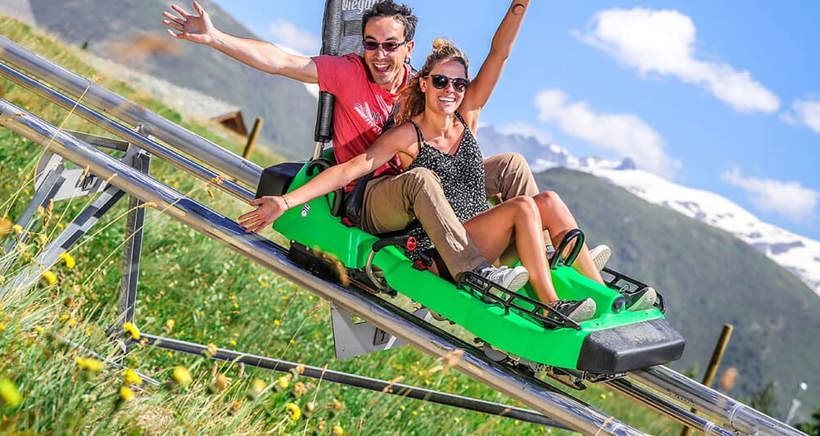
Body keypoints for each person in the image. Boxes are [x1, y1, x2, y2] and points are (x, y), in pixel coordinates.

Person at [164, 0, 554, 292]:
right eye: (371, 45)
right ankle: (475, 274)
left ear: (408, 48)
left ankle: (549, 254)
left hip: (421, 191)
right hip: (372, 195)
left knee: (508, 167)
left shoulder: (422, 87)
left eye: (390, 46)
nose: (379, 55)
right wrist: (216, 38)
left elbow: (495, 59)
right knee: (421, 179)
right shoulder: (347, 72)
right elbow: (281, 61)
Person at [240, 38, 597, 322]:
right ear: (424, 83)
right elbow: (352, 169)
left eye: (458, 83)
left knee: (543, 197)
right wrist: (286, 201)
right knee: (520, 207)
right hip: (448, 253)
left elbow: (499, 55)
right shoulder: (408, 136)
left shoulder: (464, 119)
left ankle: (600, 292)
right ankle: (550, 307)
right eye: (441, 81)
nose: (450, 90)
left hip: (481, 234)